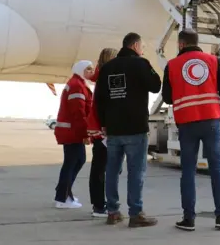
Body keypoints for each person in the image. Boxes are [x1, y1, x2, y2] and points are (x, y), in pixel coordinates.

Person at [161, 29, 220, 231]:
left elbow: (167, 97)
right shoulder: (212, 61)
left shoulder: (172, 65)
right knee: (217, 168)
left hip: (186, 122)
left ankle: (188, 219)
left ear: (181, 44)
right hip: (211, 119)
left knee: (188, 171)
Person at [94, 32, 161, 227]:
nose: (143, 51)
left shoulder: (107, 68)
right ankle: (136, 213)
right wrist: (148, 67)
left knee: (112, 171)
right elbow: (156, 86)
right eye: (142, 47)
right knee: (135, 172)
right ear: (135, 46)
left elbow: (99, 99)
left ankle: (112, 212)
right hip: (136, 128)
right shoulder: (141, 64)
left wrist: (104, 123)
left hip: (114, 129)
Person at [53, 60, 95, 209]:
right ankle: (62, 198)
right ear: (80, 70)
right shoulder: (77, 86)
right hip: (73, 132)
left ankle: (64, 192)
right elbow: (78, 113)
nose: (91, 71)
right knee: (72, 163)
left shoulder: (79, 84)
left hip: (73, 131)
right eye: (88, 69)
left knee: (77, 161)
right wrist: (85, 134)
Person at [85, 47, 118, 218]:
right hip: (102, 130)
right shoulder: (106, 77)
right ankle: (99, 206)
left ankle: (98, 203)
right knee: (100, 169)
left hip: (98, 129)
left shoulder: (100, 77)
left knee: (99, 168)